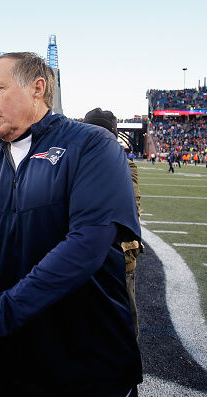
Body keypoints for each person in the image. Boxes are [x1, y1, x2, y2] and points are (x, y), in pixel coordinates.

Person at [0, 52, 142, 396]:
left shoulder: (92, 144)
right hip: (11, 360)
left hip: (87, 360)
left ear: (37, 88)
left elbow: (87, 245)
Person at [83, 107, 142, 338]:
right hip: (81, 257)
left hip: (117, 255)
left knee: (123, 319)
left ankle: (128, 368)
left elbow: (128, 210)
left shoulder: (125, 167)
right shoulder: (76, 161)